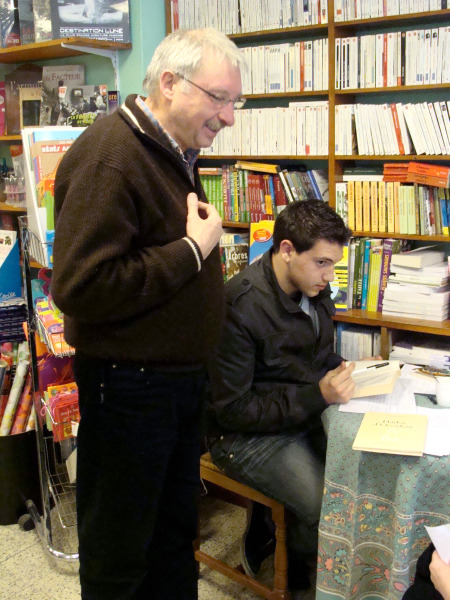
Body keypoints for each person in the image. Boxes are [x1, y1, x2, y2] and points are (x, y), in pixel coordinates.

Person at [51, 28, 245, 600]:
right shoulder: (112, 156)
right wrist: (191, 251)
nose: (229, 116)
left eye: (236, 101)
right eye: (219, 98)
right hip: (131, 388)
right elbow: (83, 286)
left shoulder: (171, 148)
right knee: (121, 550)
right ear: (168, 82)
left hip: (175, 386)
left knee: (169, 538)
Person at [207, 199, 361, 598]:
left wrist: (351, 368)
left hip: (298, 414)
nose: (330, 275)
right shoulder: (238, 306)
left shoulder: (313, 288)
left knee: (357, 478)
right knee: (325, 502)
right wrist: (318, 395)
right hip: (241, 438)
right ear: (287, 250)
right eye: (322, 262)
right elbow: (233, 410)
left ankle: (278, 543)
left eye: (333, 263)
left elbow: (315, 353)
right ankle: (298, 585)